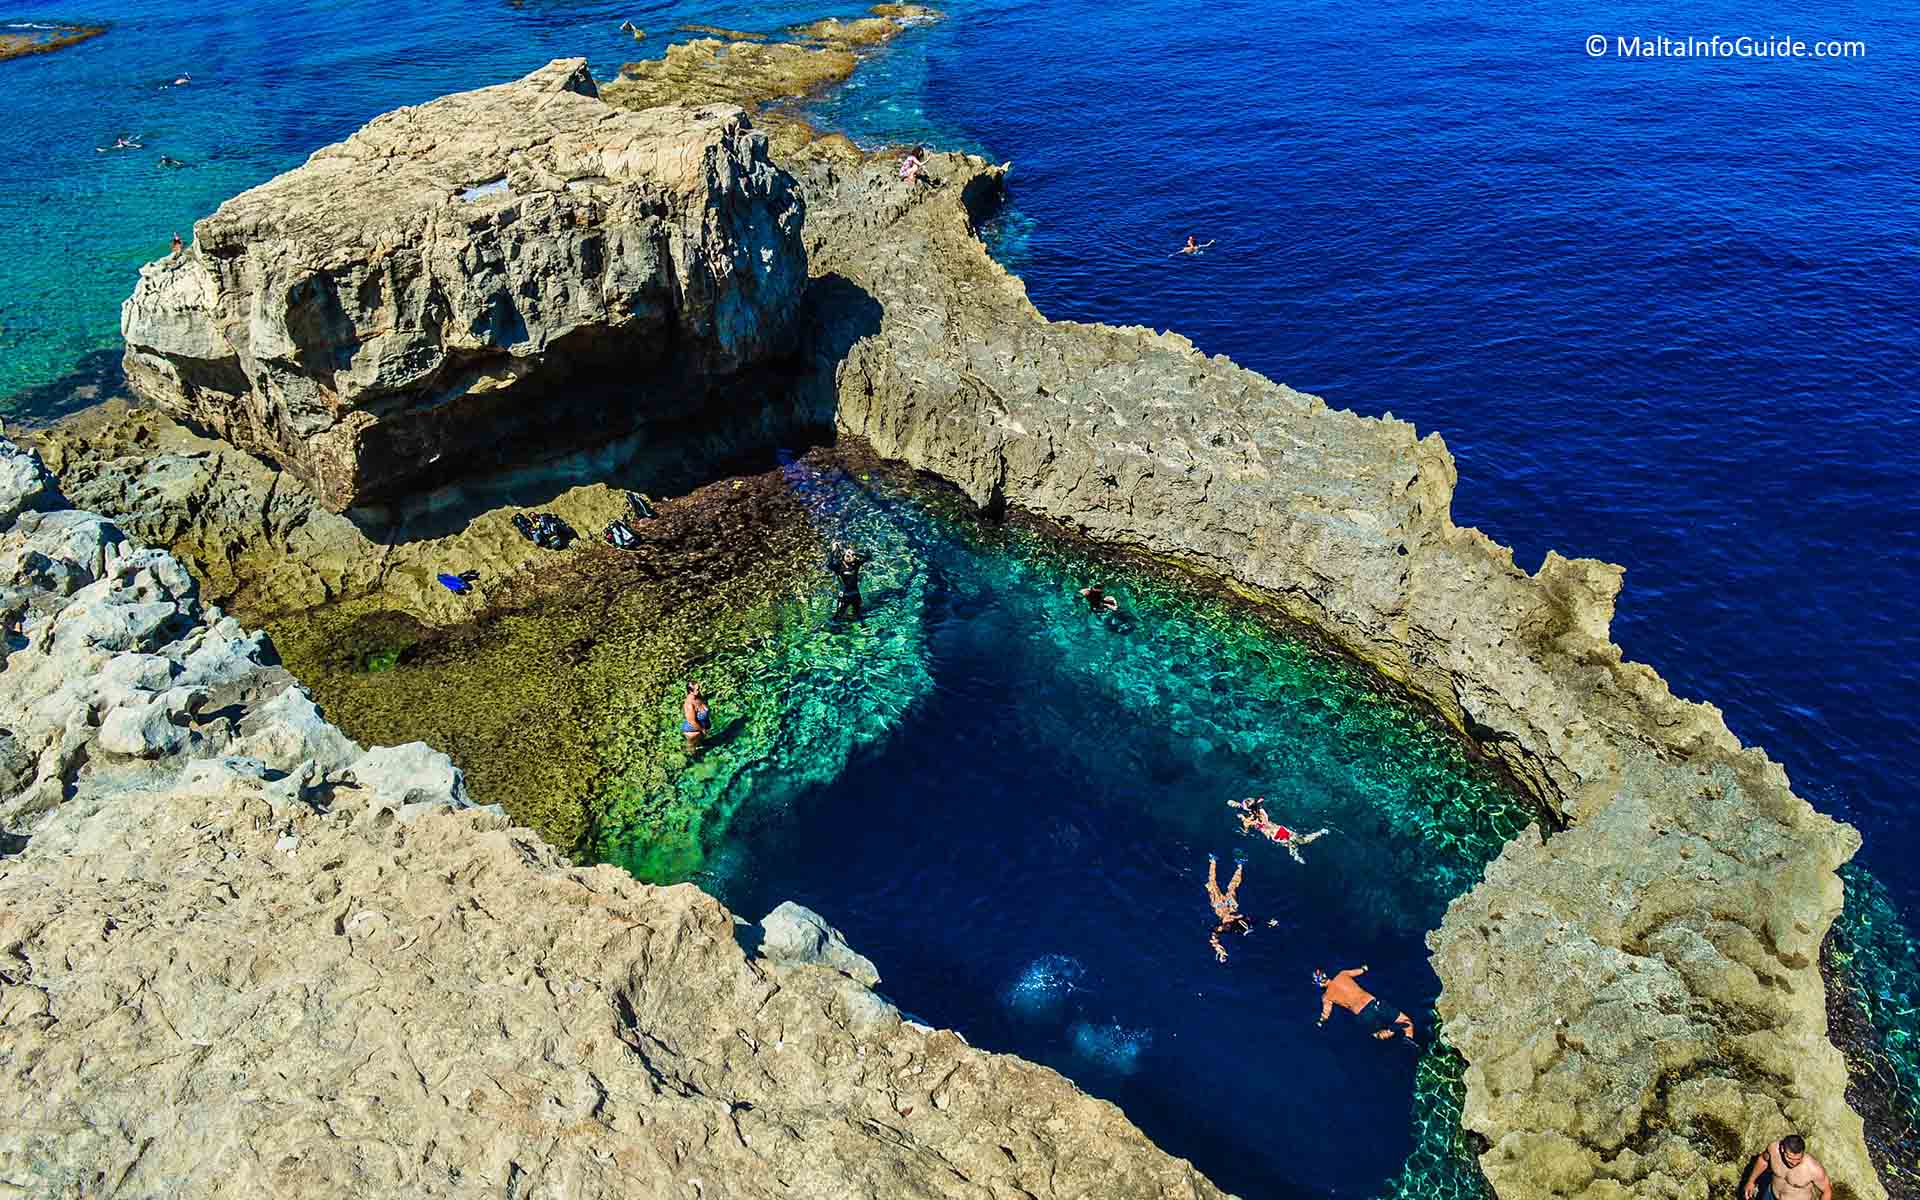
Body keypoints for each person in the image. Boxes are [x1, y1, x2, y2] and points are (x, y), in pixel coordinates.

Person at [1315, 965, 1415, 1042]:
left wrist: (1320, 1021)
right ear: (1325, 975)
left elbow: (1326, 1013)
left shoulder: (1326, 996)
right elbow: (1363, 970)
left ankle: (1390, 1031)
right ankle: (1409, 1040)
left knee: (1377, 1034)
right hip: (1374, 1003)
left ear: (1319, 983)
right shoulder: (1342, 975)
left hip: (1363, 1015)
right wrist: (1366, 967)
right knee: (1406, 1022)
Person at [1229, 797, 1330, 864]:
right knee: (1300, 839)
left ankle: (1295, 855)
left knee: (1292, 844)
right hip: (1280, 829)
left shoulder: (1248, 821)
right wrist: (1241, 805)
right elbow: (1258, 802)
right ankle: (1320, 832)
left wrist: (1242, 827)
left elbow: (1246, 832)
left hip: (1275, 836)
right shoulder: (1261, 810)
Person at [1742, 1134, 1831, 1200]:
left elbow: (1827, 1191)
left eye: (1798, 1159)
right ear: (1782, 1149)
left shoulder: (1813, 1169)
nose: (1794, 1163)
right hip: (1771, 1196)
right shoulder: (1773, 1150)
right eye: (1790, 1158)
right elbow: (1763, 1160)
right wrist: (1751, 1181)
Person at [1206, 853, 1258, 962]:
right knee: (1232, 887)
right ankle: (1240, 866)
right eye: (1228, 924)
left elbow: (1214, 937)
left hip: (1219, 906)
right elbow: (1249, 918)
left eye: (1226, 924)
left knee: (1212, 884)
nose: (1227, 924)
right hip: (1231, 906)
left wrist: (1219, 949)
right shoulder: (1238, 924)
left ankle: (1213, 861)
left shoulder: (1221, 928)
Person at [828, 541, 865, 620]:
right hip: (844, 596)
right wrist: (833, 551)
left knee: (859, 615)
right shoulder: (839, 566)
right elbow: (829, 564)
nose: (849, 556)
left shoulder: (856, 564)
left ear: (854, 557)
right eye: (847, 554)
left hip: (855, 595)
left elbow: (868, 557)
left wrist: (856, 553)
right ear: (844, 555)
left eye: (851, 555)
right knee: (837, 617)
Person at [682, 681, 711, 751]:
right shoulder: (689, 705)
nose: (699, 690)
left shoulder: (698, 696)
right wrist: (702, 729)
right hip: (692, 730)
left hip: (701, 727)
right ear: (690, 691)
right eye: (697, 689)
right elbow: (692, 721)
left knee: (699, 744)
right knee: (692, 748)